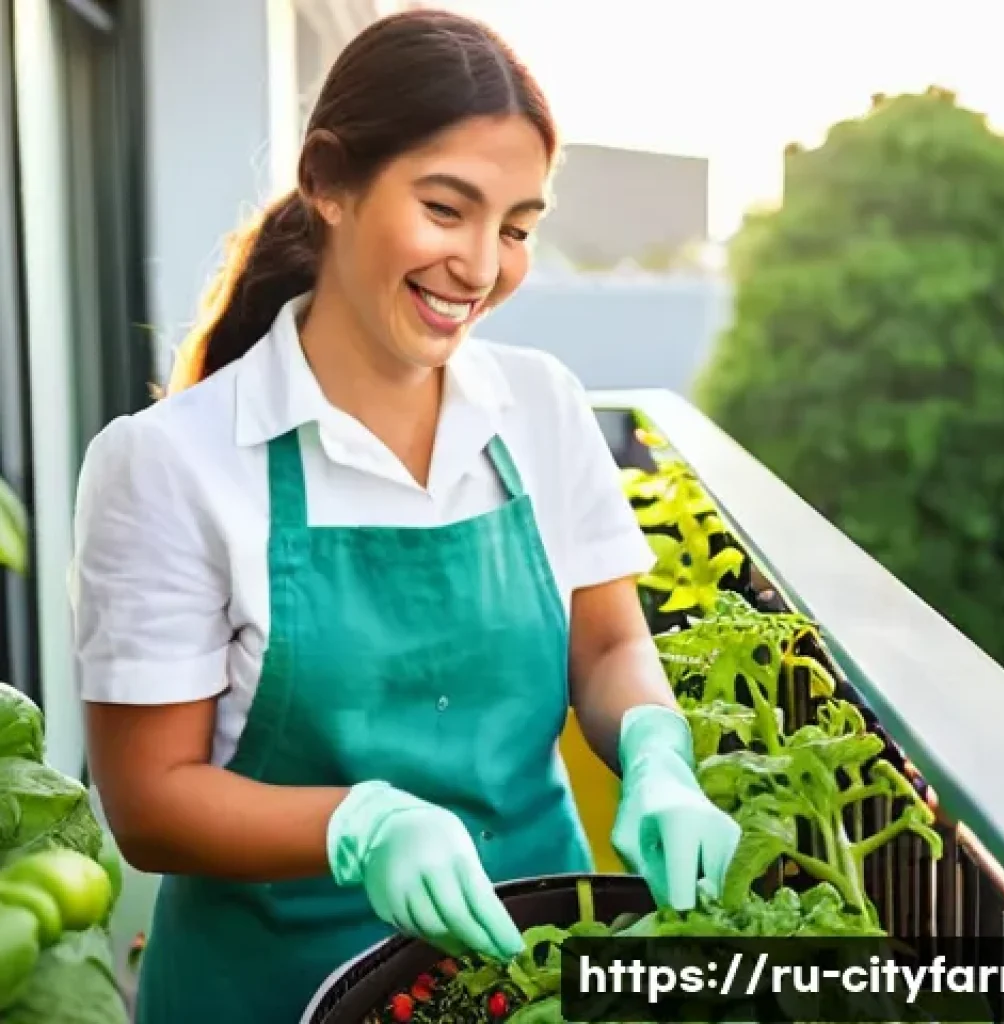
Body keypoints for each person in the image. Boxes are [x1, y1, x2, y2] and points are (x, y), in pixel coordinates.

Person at [70, 9, 740, 1023]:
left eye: (515, 228)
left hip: (529, 975)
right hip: (267, 989)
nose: (480, 266)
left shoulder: (543, 406)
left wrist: (656, 753)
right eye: (444, 208)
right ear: (329, 181)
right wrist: (361, 824)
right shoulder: (168, 464)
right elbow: (151, 802)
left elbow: (607, 647)